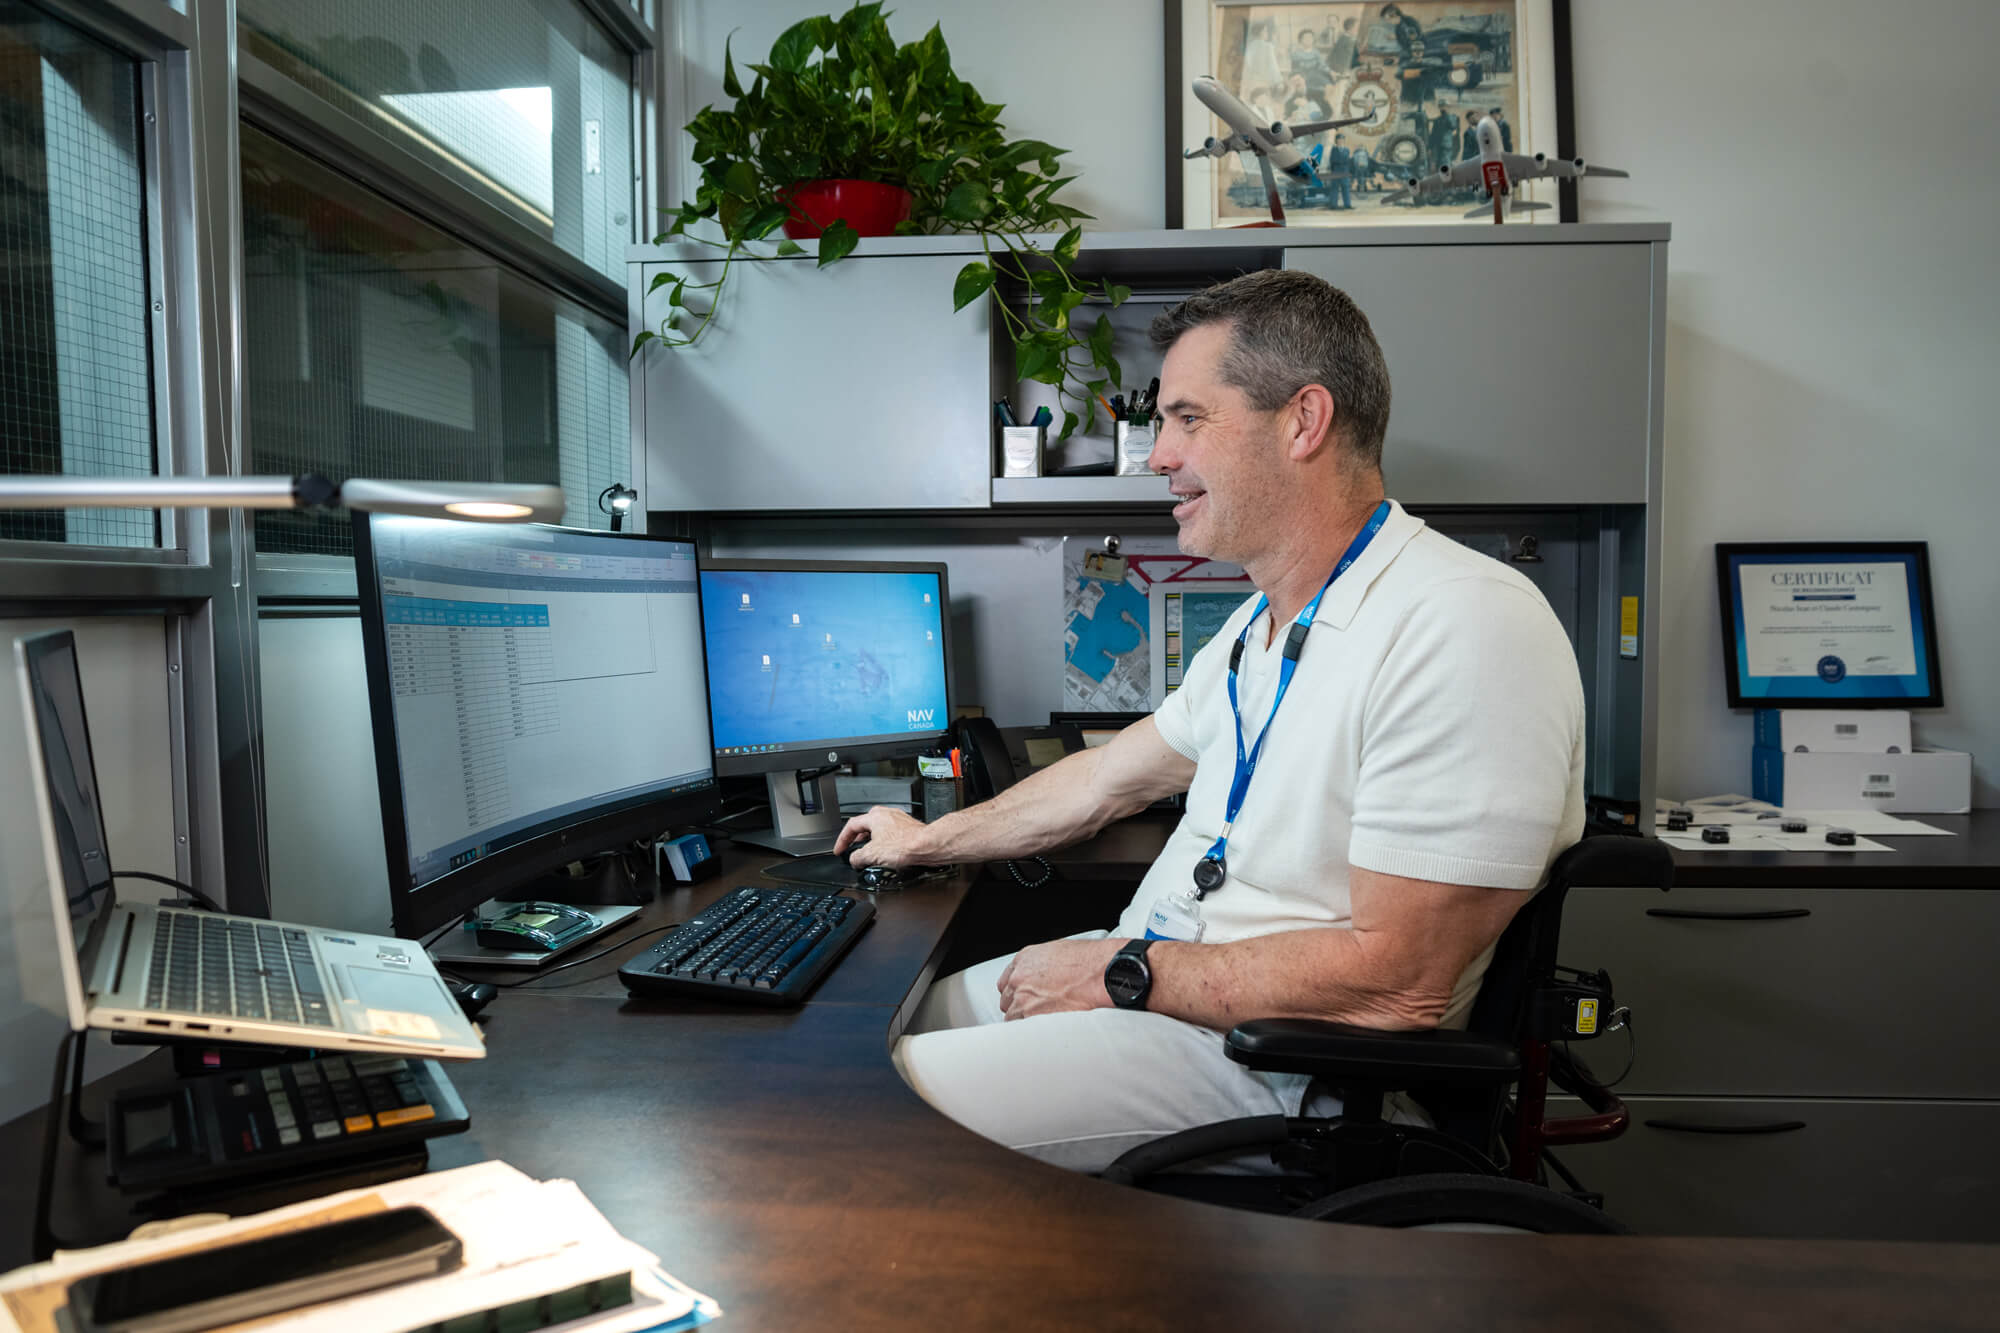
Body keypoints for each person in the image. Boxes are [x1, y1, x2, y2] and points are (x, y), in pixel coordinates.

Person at [837, 270, 1586, 1174]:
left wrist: (1126, 973)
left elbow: (1400, 980)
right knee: (872, 1032)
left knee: (864, 1118)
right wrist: (928, 841)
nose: (1157, 456)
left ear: (1303, 422)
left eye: (1189, 419)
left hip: (1285, 1063)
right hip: (1172, 989)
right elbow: (1108, 777)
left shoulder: (1464, 621)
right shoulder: (1259, 626)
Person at [1326, 132, 1355, 209]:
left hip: (1345, 171)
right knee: (1334, 188)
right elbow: (1331, 161)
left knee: (1345, 188)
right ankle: (1333, 205)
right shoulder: (1334, 149)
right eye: (1339, 140)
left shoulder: (1347, 150)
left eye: (1342, 140)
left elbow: (1349, 162)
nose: (1340, 141)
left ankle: (1347, 204)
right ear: (1336, 141)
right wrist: (1333, 171)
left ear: (1344, 141)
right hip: (1336, 171)